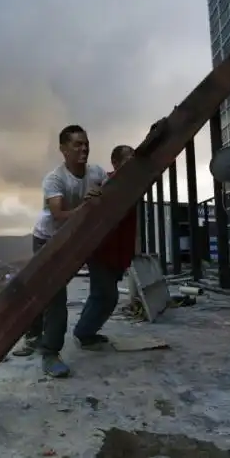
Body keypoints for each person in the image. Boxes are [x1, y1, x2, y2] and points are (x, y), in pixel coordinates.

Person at [11, 124, 107, 378]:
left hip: (74, 239)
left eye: (86, 143)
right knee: (54, 296)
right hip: (48, 239)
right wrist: (86, 206)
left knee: (47, 291)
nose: (84, 148)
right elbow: (58, 214)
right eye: (77, 144)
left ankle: (38, 336)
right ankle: (49, 351)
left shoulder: (96, 172)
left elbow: (114, 184)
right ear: (63, 150)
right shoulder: (54, 179)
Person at [72, 145, 137, 350]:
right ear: (115, 163)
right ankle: (84, 333)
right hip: (101, 250)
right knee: (108, 296)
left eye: (134, 159)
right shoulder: (106, 183)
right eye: (128, 159)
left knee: (98, 294)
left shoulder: (133, 185)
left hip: (118, 251)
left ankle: (85, 331)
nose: (132, 163)